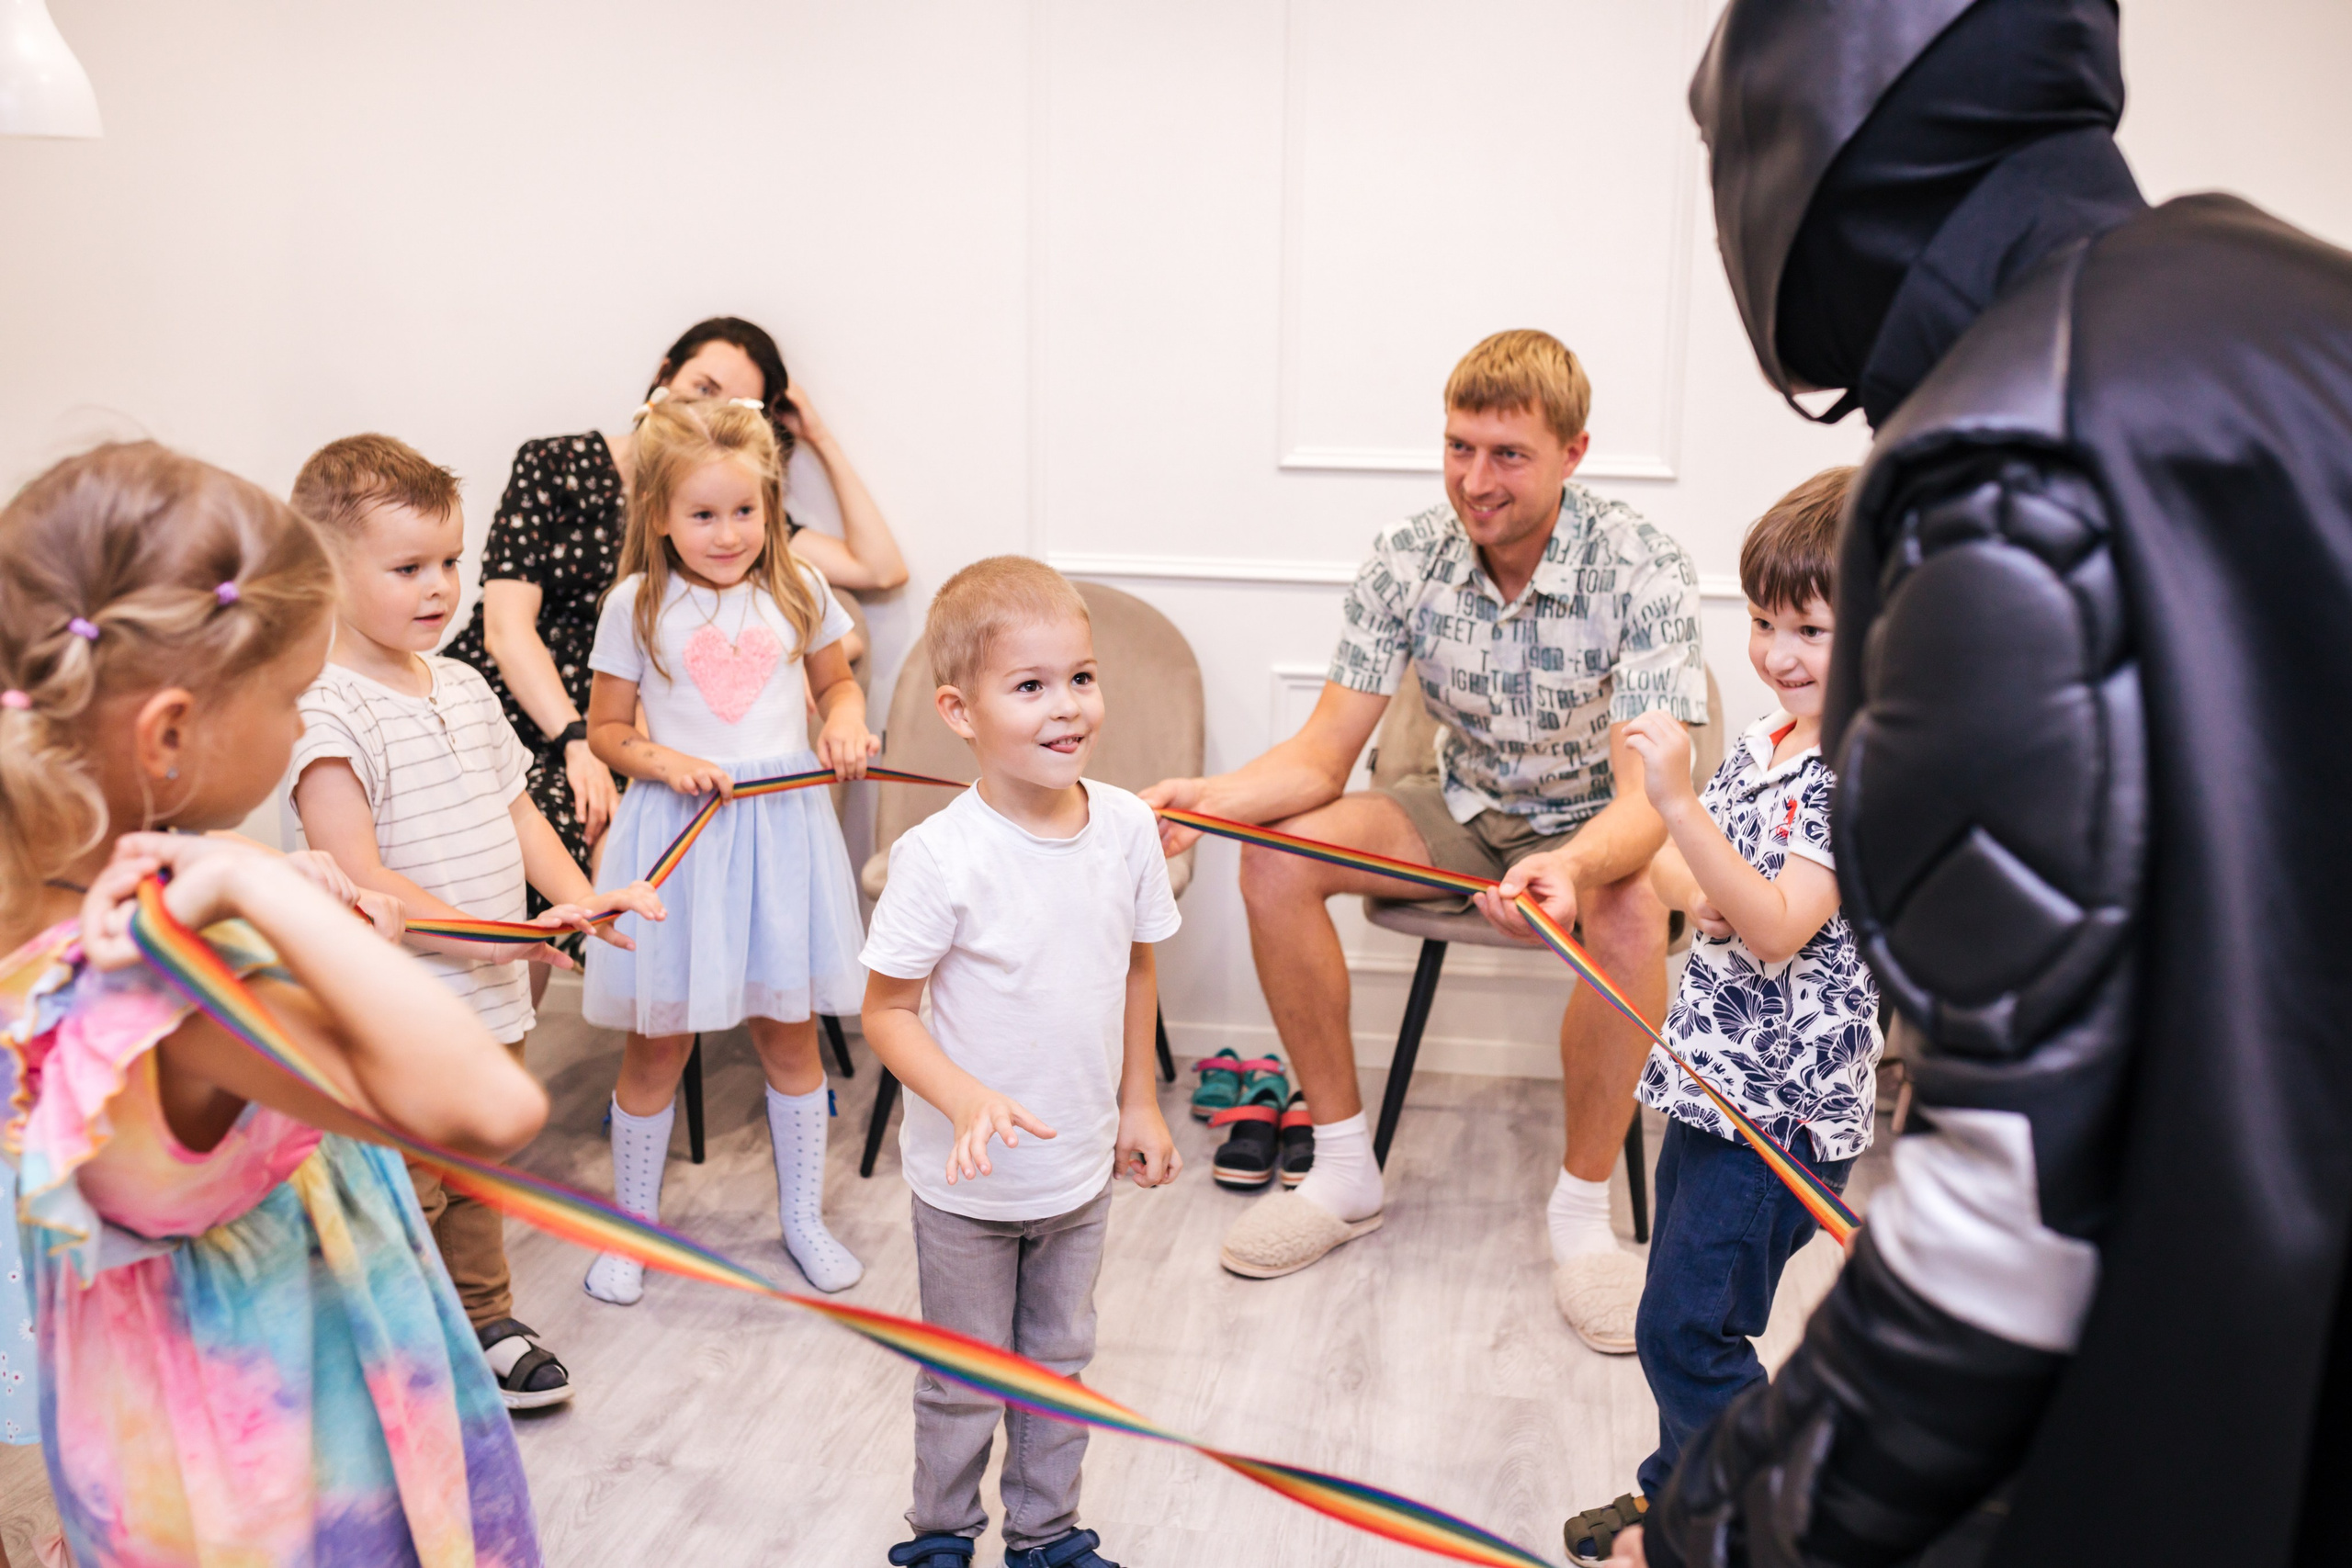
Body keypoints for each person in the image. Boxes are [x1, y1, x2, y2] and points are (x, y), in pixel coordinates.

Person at [1618, 2, 2352, 1565]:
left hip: (2218, 1391)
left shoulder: (2004, 454)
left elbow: (2009, 1225)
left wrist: (1714, 1527)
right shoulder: (2292, 293)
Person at [0, 442, 548, 1566]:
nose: (304, 727)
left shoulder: (44, 915)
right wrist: (255, 880)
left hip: (143, 1436)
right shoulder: (172, 968)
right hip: (281, 1468)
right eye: (294, 699)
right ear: (167, 735)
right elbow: (491, 1106)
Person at [1143, 330, 1707, 1349]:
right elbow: (1321, 758)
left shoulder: (1644, 566)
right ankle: (1344, 1168)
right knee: (1274, 855)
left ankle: (1581, 1218)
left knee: (1631, 909)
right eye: (1458, 447)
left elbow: (1644, 803)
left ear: (1573, 454)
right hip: (1461, 806)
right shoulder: (1406, 557)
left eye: (1506, 454)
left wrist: (1572, 867)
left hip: (1597, 825)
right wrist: (1201, 799)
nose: (1474, 480)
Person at [285, 434, 666, 1409]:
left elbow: (519, 814)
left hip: (495, 995)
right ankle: (400, 1347)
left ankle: (484, 1316)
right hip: (405, 1011)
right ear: (325, 573)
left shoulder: (462, 684)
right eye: (408, 567)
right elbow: (370, 885)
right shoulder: (324, 712)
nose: (440, 586)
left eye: (450, 561)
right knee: (410, 1186)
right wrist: (514, 936)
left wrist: (570, 903)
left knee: (477, 1169)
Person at [1558, 469, 1876, 1564]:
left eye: (1812, 628)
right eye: (1761, 621)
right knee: (1679, 1315)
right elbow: (1715, 897)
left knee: (1689, 1327)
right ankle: (1677, 1503)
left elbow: (1779, 923)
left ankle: (1740, 1528)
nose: (1778, 653)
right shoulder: (1772, 739)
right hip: (1712, 1084)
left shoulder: (1854, 767)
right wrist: (1581, 883)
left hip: (1779, 1113)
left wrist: (1677, 806)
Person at [861, 557, 1182, 1568]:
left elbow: (1136, 970)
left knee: (1057, 1363)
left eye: (1080, 678)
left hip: (1078, 1170)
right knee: (961, 1376)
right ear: (959, 710)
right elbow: (887, 1013)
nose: (1066, 707)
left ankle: (1045, 1537)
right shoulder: (937, 858)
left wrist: (1141, 1105)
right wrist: (962, 1099)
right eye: (1030, 686)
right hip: (965, 1187)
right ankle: (942, 1537)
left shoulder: (1127, 827)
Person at [440, 315, 907, 942]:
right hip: (528, 712)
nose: (709, 409)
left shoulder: (732, 511)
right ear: (665, 374)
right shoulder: (558, 465)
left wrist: (816, 432)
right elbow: (507, 630)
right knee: (552, 825)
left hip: (641, 737)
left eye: (737, 404)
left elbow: (879, 568)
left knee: (618, 842)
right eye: (703, 384)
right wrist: (579, 740)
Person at [577, 398, 875, 1305]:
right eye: (702, 514)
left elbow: (837, 685)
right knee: (656, 1045)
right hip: (677, 838)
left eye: (743, 512)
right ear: (659, 514)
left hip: (781, 842)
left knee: (790, 1039)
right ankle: (631, 1231)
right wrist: (668, 763)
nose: (725, 532)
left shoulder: (800, 592)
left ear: (769, 506)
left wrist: (848, 726)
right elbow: (607, 731)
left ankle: (803, 1220)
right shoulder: (636, 604)